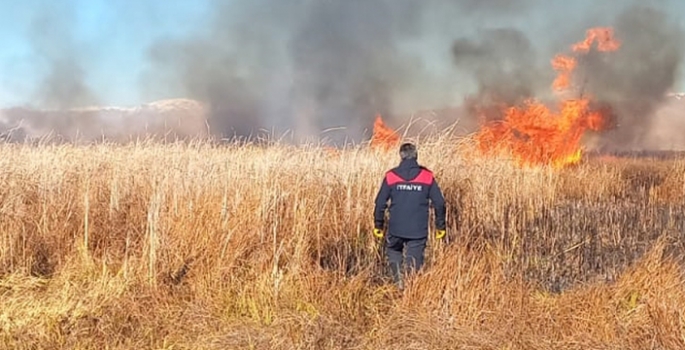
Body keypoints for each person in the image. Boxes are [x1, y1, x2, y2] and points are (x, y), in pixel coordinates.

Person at [373, 142, 447, 289]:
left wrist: (378, 225)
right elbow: (439, 203)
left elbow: (380, 203)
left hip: (396, 229)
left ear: (400, 156)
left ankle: (398, 284)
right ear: (416, 156)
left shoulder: (391, 176)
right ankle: (411, 292)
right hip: (417, 231)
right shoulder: (427, 176)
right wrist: (440, 227)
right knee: (414, 264)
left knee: (394, 251)